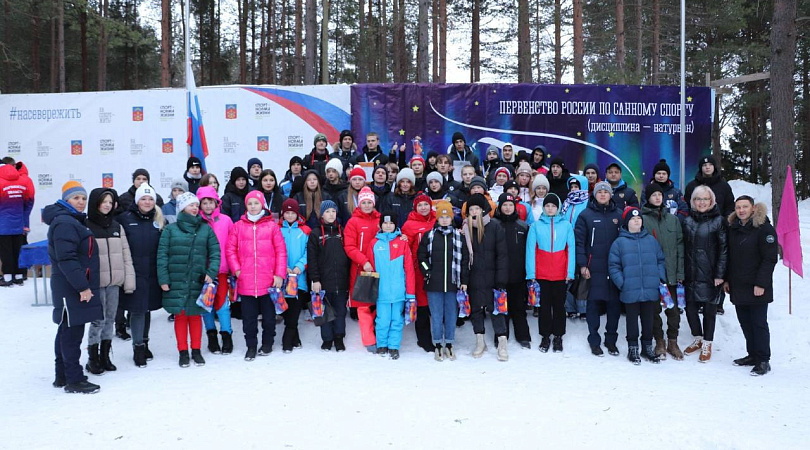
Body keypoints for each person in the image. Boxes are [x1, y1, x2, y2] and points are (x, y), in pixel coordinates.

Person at [44, 181, 103, 394]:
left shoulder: (70, 220)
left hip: (69, 285)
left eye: (83, 199)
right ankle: (74, 379)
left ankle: (63, 375)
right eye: (76, 198)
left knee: (66, 330)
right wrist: (83, 287)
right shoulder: (65, 223)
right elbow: (67, 259)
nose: (80, 202)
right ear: (66, 199)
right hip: (71, 287)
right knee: (72, 333)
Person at [157, 192, 221, 368]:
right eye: (191, 205)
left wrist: (211, 272)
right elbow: (162, 256)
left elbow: (215, 252)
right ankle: (183, 352)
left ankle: (196, 350)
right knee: (181, 316)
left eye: (196, 205)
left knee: (195, 315)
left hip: (198, 280)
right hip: (176, 280)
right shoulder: (170, 230)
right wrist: (164, 279)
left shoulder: (205, 229)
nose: (195, 208)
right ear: (182, 208)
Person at [227, 190, 287, 361]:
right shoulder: (238, 226)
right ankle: (251, 346)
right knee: (249, 319)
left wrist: (279, 274)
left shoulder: (272, 226)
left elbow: (281, 252)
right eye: (250, 203)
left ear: (262, 205)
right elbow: (230, 250)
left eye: (256, 203)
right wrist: (237, 269)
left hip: (268, 281)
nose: (253, 207)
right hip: (246, 281)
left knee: (269, 318)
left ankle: (267, 343)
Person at [84, 188, 136, 375]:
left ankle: (105, 356)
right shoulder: (86, 225)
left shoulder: (116, 226)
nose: (107, 205)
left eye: (110, 201)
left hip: (114, 282)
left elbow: (125, 254)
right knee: (97, 321)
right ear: (95, 203)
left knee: (110, 320)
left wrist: (128, 279)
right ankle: (93, 357)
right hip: (96, 283)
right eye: (103, 201)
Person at [726, 196, 778, 376]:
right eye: (738, 207)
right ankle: (752, 354)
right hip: (738, 285)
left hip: (757, 286)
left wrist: (761, 283)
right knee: (745, 323)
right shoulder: (733, 228)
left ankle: (763, 359)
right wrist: (727, 280)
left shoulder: (764, 228)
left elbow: (770, 258)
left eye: (745, 207)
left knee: (758, 323)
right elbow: (729, 257)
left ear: (753, 208)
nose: (741, 210)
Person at [608, 207, 667, 364]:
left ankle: (647, 347)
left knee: (649, 319)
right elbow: (614, 266)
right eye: (633, 219)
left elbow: (660, 260)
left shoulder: (650, 240)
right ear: (627, 223)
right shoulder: (619, 243)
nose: (636, 221)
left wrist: (659, 278)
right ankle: (632, 347)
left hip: (649, 288)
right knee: (632, 320)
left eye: (639, 219)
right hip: (630, 289)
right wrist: (622, 283)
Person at [118, 183, 165, 367]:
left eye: (150, 199)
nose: (147, 202)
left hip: (152, 272)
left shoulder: (159, 220)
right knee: (137, 310)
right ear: (137, 201)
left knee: (146, 309)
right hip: (133, 272)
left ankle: (145, 343)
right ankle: (137, 348)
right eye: (143, 199)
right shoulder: (124, 218)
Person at [575, 181, 622, 356]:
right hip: (593, 268)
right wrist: (582, 265)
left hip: (615, 269)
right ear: (594, 194)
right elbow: (580, 242)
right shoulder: (585, 215)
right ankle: (594, 340)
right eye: (599, 191)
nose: (603, 194)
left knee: (614, 306)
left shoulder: (618, 215)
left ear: (611, 195)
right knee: (593, 306)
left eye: (606, 192)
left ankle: (611, 341)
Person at [417, 200, 469, 361]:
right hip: (434, 283)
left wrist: (464, 280)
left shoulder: (458, 237)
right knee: (437, 314)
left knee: (451, 314)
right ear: (437, 219)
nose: (445, 220)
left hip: (453, 283)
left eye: (447, 217)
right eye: (442, 217)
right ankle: (438, 343)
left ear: (452, 218)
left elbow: (464, 260)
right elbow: (422, 256)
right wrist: (427, 271)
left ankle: (450, 343)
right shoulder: (430, 236)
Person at [682, 185, 728, 363]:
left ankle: (707, 343)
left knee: (709, 310)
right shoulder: (687, 221)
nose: (702, 202)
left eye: (705, 199)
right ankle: (698, 338)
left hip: (710, 274)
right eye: (698, 199)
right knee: (690, 309)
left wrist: (720, 274)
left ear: (712, 201)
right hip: (690, 273)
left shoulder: (719, 221)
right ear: (693, 202)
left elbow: (724, 250)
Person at [461, 194, 509, 361]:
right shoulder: (466, 229)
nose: (474, 211)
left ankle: (502, 342)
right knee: (476, 310)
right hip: (474, 276)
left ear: (484, 209)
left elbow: (502, 255)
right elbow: (465, 257)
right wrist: (464, 280)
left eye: (477, 208)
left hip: (492, 276)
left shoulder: (495, 226)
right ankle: (479, 341)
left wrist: (501, 278)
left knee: (496, 309)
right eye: (471, 209)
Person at [363, 211, 416, 360]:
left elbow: (409, 269)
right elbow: (371, 268)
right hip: (381, 291)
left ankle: (393, 346)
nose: (388, 226)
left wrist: (410, 293)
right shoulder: (374, 243)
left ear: (395, 225)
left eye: (391, 223)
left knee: (397, 320)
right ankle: (382, 344)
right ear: (380, 225)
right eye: (385, 223)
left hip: (399, 291)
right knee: (382, 319)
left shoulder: (402, 242)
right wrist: (371, 291)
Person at [526, 193, 575, 353]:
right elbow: (530, 250)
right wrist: (531, 273)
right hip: (542, 273)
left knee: (559, 306)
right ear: (544, 207)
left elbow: (571, 249)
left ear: (558, 207)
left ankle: (558, 336)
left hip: (561, 273)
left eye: (553, 206)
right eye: (547, 206)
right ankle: (545, 336)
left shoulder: (566, 225)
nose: (550, 208)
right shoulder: (536, 226)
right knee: (544, 307)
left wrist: (570, 271)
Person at [641, 183, 685, 360]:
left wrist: (680, 273)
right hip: (652, 275)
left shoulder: (673, 220)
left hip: (672, 273)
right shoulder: (642, 219)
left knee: (673, 311)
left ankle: (672, 342)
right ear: (648, 198)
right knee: (653, 311)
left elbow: (680, 247)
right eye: (654, 195)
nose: (658, 197)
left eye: (660, 194)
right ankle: (659, 340)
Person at [307, 200, 350, 352]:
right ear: (321, 214)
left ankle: (338, 338)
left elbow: (349, 255)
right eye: (327, 212)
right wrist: (315, 279)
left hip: (342, 280)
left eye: (333, 211)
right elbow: (311, 259)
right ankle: (327, 339)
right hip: (324, 282)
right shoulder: (316, 233)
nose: (331, 214)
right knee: (324, 311)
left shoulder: (343, 231)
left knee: (340, 312)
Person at [197, 186, 235, 356]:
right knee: (207, 305)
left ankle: (226, 335)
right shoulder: (197, 221)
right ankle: (211, 335)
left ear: (216, 202)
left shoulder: (226, 220)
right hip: (203, 273)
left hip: (221, 270)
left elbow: (233, 245)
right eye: (204, 203)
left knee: (222, 305)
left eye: (210, 202)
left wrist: (233, 266)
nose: (208, 206)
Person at [343, 187, 382, 351]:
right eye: (363, 202)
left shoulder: (380, 220)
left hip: (380, 268)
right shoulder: (353, 222)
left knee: (380, 304)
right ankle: (368, 340)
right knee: (363, 306)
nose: (367, 205)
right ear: (359, 204)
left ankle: (380, 336)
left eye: (369, 202)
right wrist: (364, 261)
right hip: (362, 269)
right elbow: (349, 246)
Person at [401, 193, 437, 352]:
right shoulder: (409, 225)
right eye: (420, 205)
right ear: (415, 208)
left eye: (426, 205)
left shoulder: (437, 221)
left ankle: (440, 337)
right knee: (422, 305)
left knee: (436, 304)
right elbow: (405, 248)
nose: (423, 208)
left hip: (437, 267)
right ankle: (424, 340)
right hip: (418, 270)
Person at [494, 193, 531, 349]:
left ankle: (523, 336)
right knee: (501, 308)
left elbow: (529, 251)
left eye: (510, 205)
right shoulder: (494, 225)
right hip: (499, 275)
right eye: (505, 205)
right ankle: (501, 336)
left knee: (518, 307)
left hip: (518, 274)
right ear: (500, 207)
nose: (508, 208)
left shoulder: (522, 226)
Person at [278, 199, 311, 353]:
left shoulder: (305, 231)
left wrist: (300, 266)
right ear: (282, 214)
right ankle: (294, 338)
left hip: (299, 278)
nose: (290, 216)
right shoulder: (276, 229)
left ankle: (287, 340)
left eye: (293, 213)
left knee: (295, 309)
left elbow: (309, 252)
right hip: (281, 277)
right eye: (287, 213)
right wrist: (282, 266)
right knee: (285, 308)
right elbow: (273, 251)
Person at [0, 158, 34, 287]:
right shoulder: (24, 181)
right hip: (19, 223)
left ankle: (8, 277)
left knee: (5, 251)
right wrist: (24, 222)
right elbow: (29, 202)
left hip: (3, 224)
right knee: (19, 249)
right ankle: (19, 276)